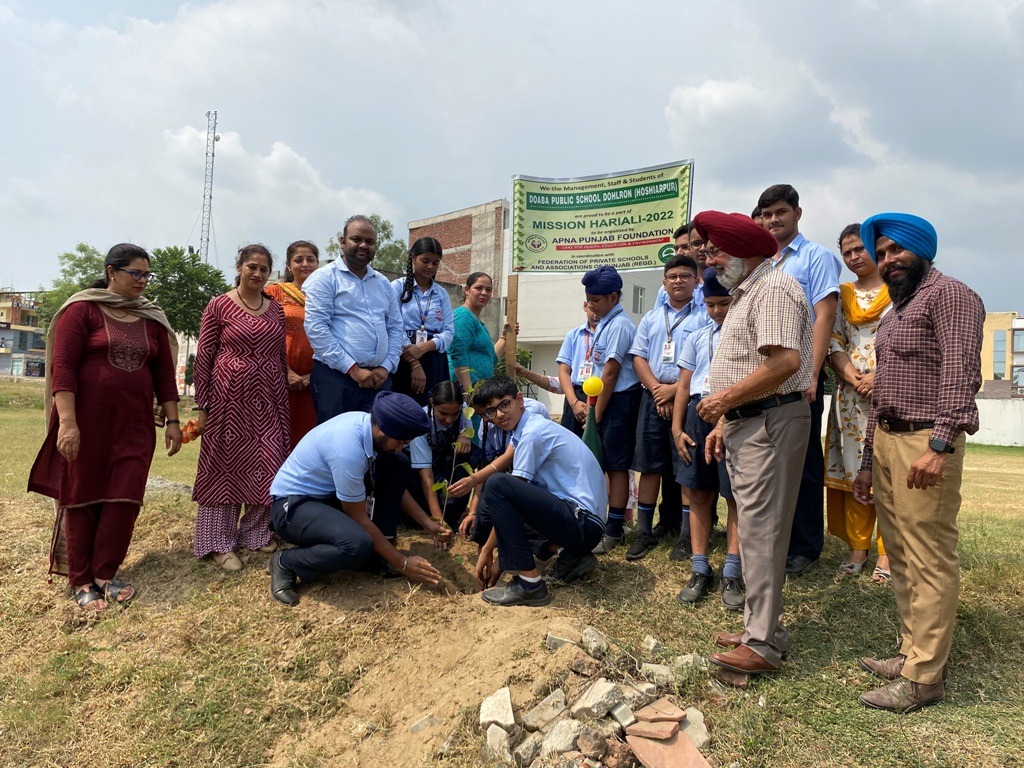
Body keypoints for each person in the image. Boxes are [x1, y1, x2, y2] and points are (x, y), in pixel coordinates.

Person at [852, 213, 984, 713]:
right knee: (903, 554)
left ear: (921, 248)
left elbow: (961, 372)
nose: (887, 260)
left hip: (926, 441)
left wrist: (941, 444)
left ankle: (925, 678)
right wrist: (867, 460)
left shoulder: (951, 295)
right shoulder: (894, 314)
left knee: (929, 555)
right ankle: (911, 654)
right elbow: (882, 391)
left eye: (895, 250)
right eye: (881, 253)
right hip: (888, 440)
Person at [689, 211, 813, 677]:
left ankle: (761, 644)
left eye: (716, 251)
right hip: (751, 421)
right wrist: (725, 418)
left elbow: (783, 363)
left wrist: (722, 400)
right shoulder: (749, 292)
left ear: (744, 251)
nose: (711, 260)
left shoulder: (774, 288)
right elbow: (747, 363)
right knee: (760, 531)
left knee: (762, 534)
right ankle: (760, 629)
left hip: (770, 422)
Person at [29, 244, 181, 611]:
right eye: (136, 273)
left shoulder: (151, 319)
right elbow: (62, 367)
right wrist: (67, 423)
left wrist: (173, 421)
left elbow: (163, 375)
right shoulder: (82, 310)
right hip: (85, 423)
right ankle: (81, 580)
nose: (144, 281)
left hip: (134, 425)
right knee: (82, 496)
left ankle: (105, 573)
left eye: (148, 275)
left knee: (125, 498)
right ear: (112, 272)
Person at [267, 391, 452, 606]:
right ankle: (286, 562)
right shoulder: (347, 450)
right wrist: (401, 562)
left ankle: (376, 558)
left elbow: (395, 488)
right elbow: (358, 517)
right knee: (356, 543)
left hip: (327, 498)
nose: (401, 447)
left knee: (397, 463)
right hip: (293, 506)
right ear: (382, 428)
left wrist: (426, 521)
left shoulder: (369, 428)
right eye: (400, 441)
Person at [758, 183, 842, 575]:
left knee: (804, 463)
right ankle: (777, 540)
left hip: (800, 379)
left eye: (780, 212)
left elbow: (824, 315)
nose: (773, 220)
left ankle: (806, 546)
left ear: (797, 213)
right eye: (767, 214)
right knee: (769, 463)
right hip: (765, 377)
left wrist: (812, 373)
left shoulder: (815, 257)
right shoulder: (762, 262)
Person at [192, 244, 290, 571]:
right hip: (227, 401)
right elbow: (204, 357)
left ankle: (254, 533)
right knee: (225, 466)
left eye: (263, 269)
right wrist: (202, 405)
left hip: (269, 399)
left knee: (271, 462)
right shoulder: (218, 306)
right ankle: (218, 542)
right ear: (239, 267)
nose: (258, 273)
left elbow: (279, 356)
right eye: (252, 266)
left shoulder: (276, 310)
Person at [470, 377, 608, 607]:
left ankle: (529, 584)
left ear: (520, 400)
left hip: (583, 523)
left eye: (505, 405)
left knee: (497, 485)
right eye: (491, 412)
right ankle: (570, 555)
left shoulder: (532, 433)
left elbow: (510, 495)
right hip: (581, 522)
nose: (500, 415)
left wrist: (489, 552)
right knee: (497, 508)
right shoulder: (526, 429)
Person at [625, 255, 707, 561]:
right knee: (649, 466)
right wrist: (658, 391)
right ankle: (644, 533)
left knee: (685, 467)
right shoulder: (650, 318)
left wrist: (674, 392)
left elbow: (704, 362)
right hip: (653, 397)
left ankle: (687, 537)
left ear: (696, 281)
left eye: (685, 276)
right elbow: (638, 357)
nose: (678, 281)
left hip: (686, 399)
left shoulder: (704, 318)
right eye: (672, 276)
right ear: (664, 282)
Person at [671, 268, 742, 609]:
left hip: (735, 413)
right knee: (698, 491)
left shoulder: (743, 334)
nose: (717, 311)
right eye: (711, 304)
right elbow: (684, 385)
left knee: (734, 495)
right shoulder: (697, 336)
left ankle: (733, 569)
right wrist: (677, 427)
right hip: (697, 415)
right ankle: (700, 567)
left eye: (724, 303)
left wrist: (726, 417)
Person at [824, 225, 891, 581]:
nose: (853, 257)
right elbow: (833, 344)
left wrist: (879, 378)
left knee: (888, 472)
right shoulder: (842, 294)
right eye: (847, 252)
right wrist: (853, 377)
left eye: (859, 249)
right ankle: (858, 547)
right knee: (855, 472)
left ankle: (888, 553)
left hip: (893, 392)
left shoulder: (899, 289)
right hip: (850, 398)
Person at [561, 266, 641, 554]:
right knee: (595, 461)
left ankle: (615, 528)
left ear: (613, 297)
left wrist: (595, 415)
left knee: (616, 465)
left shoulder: (620, 325)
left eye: (596, 299)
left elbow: (610, 373)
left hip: (618, 401)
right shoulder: (605, 322)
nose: (591, 304)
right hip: (599, 399)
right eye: (588, 299)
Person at [304, 215, 405, 420]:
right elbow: (316, 329)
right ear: (342, 242)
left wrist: (386, 367)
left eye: (369, 242)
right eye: (356, 239)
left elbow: (395, 328)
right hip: (336, 377)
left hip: (379, 379)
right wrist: (352, 369)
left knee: (375, 444)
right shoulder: (324, 278)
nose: (363, 246)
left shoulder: (383, 283)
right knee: (337, 444)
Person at [265, 240, 320, 450]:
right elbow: (264, 335)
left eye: (310, 259)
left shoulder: (327, 296)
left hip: (315, 381)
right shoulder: (275, 294)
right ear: (289, 266)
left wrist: (314, 375)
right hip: (280, 377)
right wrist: (285, 371)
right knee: (276, 437)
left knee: (308, 440)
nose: (305, 264)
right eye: (298, 260)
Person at [407, 380, 481, 530]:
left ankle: (455, 514)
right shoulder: (420, 421)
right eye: (443, 413)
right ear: (432, 403)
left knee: (468, 451)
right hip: (419, 471)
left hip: (445, 464)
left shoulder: (464, 411)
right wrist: (438, 520)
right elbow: (426, 477)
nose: (449, 420)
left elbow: (468, 436)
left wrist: (464, 434)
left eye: (455, 414)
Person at [391, 237, 455, 406]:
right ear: (413, 258)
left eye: (435, 263)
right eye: (425, 261)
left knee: (435, 408)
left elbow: (448, 331)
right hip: (404, 354)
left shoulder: (441, 294)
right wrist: (414, 361)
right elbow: (393, 325)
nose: (430, 267)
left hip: (434, 357)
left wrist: (424, 347)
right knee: (404, 408)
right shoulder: (397, 287)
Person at [449, 272, 511, 393]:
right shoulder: (464, 316)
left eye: (488, 290)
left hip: (481, 393)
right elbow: (458, 355)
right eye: (478, 288)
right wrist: (469, 393)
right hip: (465, 394)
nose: (484, 293)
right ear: (467, 290)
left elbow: (490, 358)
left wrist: (504, 337)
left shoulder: (477, 322)